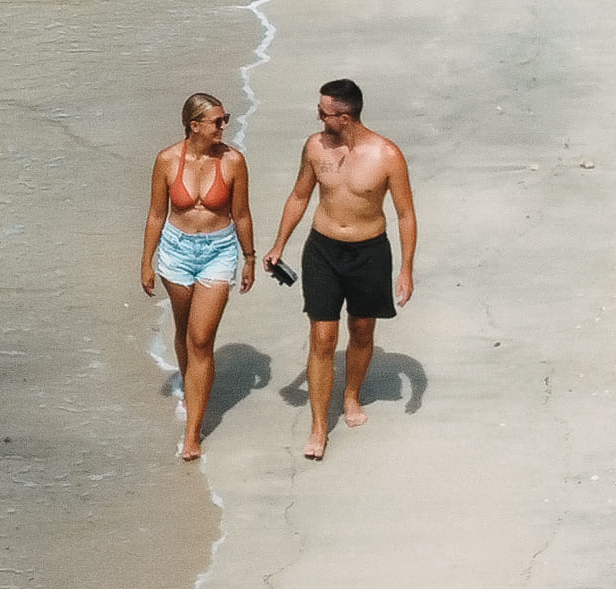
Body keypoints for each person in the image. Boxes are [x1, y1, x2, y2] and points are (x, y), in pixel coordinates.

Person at [263, 77, 416, 460]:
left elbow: (405, 214)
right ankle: (318, 427)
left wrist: (407, 269)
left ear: (344, 117)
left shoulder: (387, 155)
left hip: (370, 252)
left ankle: (351, 395)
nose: (318, 117)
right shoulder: (315, 147)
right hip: (323, 251)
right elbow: (300, 196)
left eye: (323, 112)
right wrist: (279, 244)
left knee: (361, 331)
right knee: (322, 338)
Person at [143, 92, 252, 462]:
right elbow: (157, 213)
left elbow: (242, 214)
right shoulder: (167, 160)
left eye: (226, 119)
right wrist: (147, 261)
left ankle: (193, 431)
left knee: (202, 338)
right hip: (175, 251)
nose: (225, 126)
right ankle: (194, 388)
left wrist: (249, 258)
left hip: (219, 252)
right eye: (217, 121)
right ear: (195, 126)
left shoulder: (234, 162)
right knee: (184, 330)